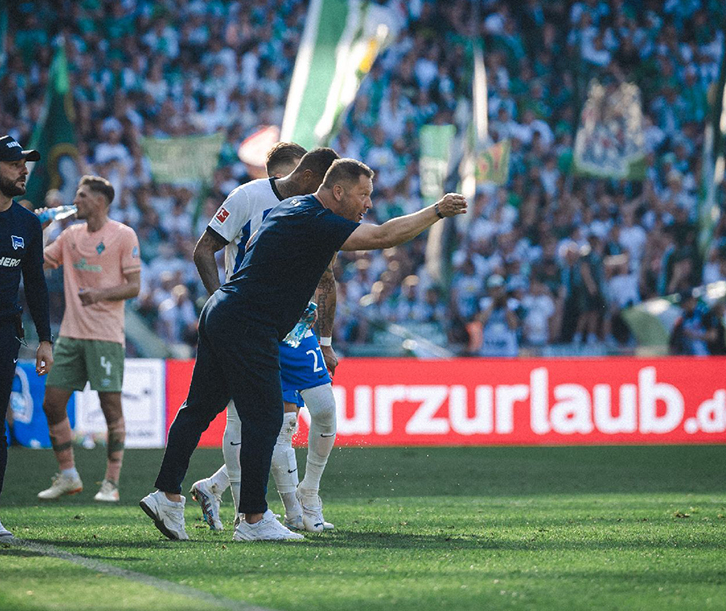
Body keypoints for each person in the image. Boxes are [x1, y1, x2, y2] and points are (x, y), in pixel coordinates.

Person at [141, 157, 467, 542]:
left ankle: (166, 494)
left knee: (198, 410)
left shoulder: (293, 208)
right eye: (363, 195)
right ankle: (253, 520)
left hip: (224, 311)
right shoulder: (316, 218)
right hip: (249, 321)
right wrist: (436, 211)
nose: (367, 204)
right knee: (265, 419)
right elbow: (380, 237)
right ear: (338, 191)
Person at [188, 143, 341, 533]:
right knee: (267, 423)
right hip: (252, 321)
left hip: (297, 326)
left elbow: (327, 277)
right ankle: (273, 512)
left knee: (320, 410)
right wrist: (224, 305)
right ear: (287, 174)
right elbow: (204, 249)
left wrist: (325, 341)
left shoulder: (316, 211)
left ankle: (296, 495)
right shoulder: (250, 198)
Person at [36, 175, 141, 503]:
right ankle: (69, 474)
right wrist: (37, 230)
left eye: (81, 195)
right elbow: (38, 263)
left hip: (106, 337)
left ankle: (111, 482)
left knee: (111, 409)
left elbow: (134, 286)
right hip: (70, 334)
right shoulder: (70, 236)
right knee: (52, 404)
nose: (75, 200)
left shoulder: (123, 235)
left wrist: (99, 294)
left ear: (100, 201)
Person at [0, 135, 54, 542]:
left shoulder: (27, 223)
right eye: (15, 163)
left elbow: (35, 284)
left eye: (25, 163)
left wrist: (45, 340)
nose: (24, 170)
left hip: (5, 334)